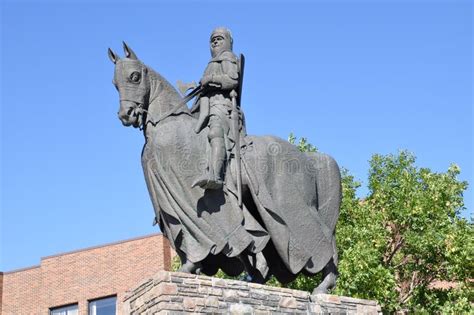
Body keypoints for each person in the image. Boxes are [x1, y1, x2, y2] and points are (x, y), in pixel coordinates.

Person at [192, 27, 244, 190]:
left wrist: (211, 79)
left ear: (228, 42)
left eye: (219, 38)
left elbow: (232, 80)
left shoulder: (228, 58)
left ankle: (215, 175)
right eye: (212, 39)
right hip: (206, 106)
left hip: (222, 105)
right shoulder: (211, 63)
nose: (215, 41)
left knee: (215, 131)